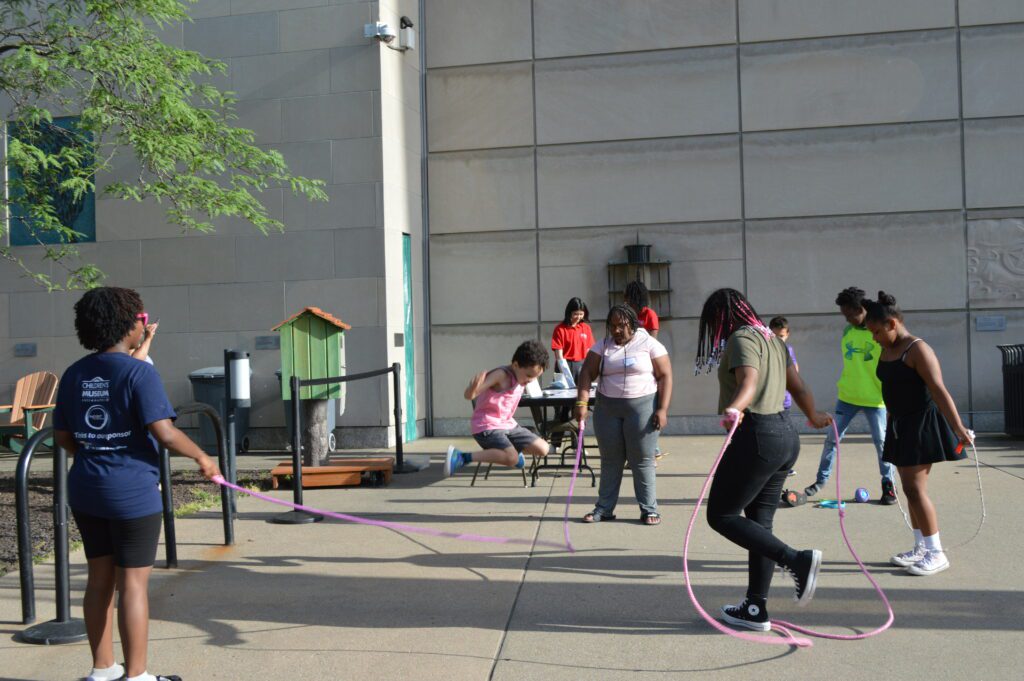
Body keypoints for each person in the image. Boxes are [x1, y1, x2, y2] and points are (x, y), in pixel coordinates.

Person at [53, 287, 220, 681]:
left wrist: (95, 450)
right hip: (132, 494)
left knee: (98, 580)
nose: (142, 325)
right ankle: (137, 676)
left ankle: (102, 670)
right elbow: (163, 432)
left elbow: (63, 438)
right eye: (140, 319)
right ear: (128, 325)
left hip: (86, 489)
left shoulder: (74, 373)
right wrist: (201, 456)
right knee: (132, 585)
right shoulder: (138, 372)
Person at [696, 288, 832, 632]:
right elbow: (797, 386)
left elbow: (749, 381)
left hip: (758, 435)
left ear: (721, 317)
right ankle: (755, 608)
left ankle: (797, 561)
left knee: (722, 515)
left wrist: (735, 407)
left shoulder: (742, 338)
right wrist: (813, 415)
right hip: (785, 435)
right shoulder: (773, 339)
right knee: (759, 525)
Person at [864, 292, 972, 576]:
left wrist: (958, 427)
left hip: (921, 424)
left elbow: (938, 390)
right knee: (909, 490)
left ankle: (936, 553)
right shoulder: (887, 349)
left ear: (892, 323)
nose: (874, 338)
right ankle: (921, 547)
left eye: (876, 331)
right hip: (899, 425)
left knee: (915, 489)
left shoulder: (918, 349)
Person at [573, 304, 672, 525]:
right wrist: (582, 402)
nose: (616, 331)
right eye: (612, 326)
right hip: (607, 409)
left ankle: (649, 509)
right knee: (610, 461)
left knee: (642, 460)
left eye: (621, 326)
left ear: (632, 324)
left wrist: (662, 409)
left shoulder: (649, 344)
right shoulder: (603, 346)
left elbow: (665, 375)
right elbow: (586, 373)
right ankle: (604, 509)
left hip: (642, 408)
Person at [804, 287, 897, 505]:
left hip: (876, 399)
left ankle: (888, 485)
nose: (847, 319)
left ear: (860, 309)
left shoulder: (878, 331)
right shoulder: (848, 331)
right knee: (831, 440)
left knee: (882, 443)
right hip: (847, 397)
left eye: (849, 315)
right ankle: (820, 482)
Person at [444, 340, 552, 476]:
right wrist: (472, 387)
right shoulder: (501, 375)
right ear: (516, 365)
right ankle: (461, 457)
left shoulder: (521, 377)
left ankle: (511, 453)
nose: (530, 381)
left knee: (544, 448)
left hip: (508, 425)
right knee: (511, 457)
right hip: (487, 426)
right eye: (529, 376)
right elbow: (469, 395)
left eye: (535, 378)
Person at [769, 316, 799, 476]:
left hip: (784, 401)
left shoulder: (788, 351)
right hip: (770, 402)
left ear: (787, 335)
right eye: (775, 336)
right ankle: (774, 466)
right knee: (773, 435)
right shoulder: (765, 350)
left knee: (786, 435)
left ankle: (785, 466)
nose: (778, 340)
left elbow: (795, 372)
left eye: (781, 336)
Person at [550, 297, 594, 382]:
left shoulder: (586, 328)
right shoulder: (560, 329)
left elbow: (589, 350)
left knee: (581, 392)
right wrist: (564, 371)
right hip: (565, 365)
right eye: (575, 314)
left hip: (582, 365)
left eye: (581, 314)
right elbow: (559, 355)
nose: (578, 317)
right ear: (569, 313)